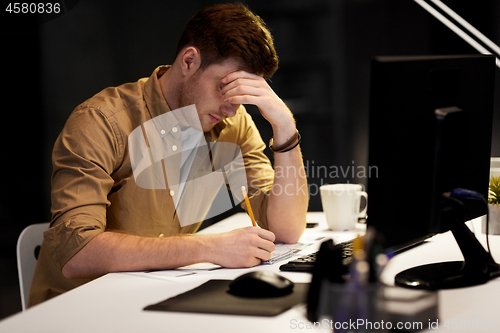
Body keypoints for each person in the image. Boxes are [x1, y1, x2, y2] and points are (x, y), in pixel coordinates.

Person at [29, 3, 308, 307]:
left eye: (243, 94)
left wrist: (283, 124)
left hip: (157, 298)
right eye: (225, 87)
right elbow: (76, 253)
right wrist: (208, 248)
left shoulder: (230, 124)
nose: (233, 108)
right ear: (189, 61)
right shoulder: (101, 122)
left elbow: (286, 228)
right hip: (78, 309)